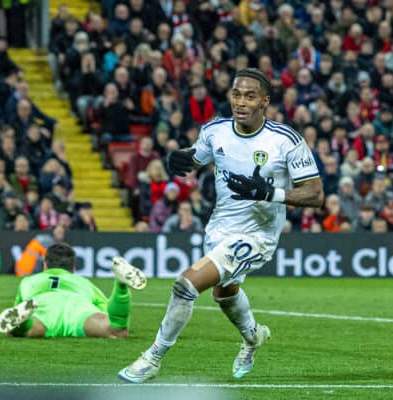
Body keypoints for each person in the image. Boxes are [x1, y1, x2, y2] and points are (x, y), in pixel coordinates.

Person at [118, 68, 323, 383]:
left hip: (257, 235)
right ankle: (253, 336)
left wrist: (271, 192)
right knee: (224, 293)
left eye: (250, 96)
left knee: (186, 285)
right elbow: (195, 160)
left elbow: (315, 194)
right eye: (236, 94)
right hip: (219, 229)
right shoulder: (215, 130)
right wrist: (178, 161)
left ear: (265, 102)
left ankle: (153, 357)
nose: (241, 102)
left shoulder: (285, 141)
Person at [0, 243, 147, 338]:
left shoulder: (28, 281)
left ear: (45, 266)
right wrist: (114, 323)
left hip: (41, 307)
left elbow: (19, 303)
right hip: (77, 309)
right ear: (73, 268)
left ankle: (24, 323)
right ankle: (120, 285)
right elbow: (106, 311)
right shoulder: (84, 283)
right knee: (115, 330)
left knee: (26, 330)